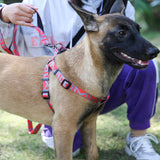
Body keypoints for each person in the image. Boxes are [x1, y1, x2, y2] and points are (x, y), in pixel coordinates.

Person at [0, 0, 159, 159]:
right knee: (68, 140)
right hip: (52, 97)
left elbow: (128, 48)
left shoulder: (120, 5)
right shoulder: (40, 3)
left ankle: (138, 137)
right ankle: (58, 130)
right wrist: (3, 13)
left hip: (101, 87)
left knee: (147, 68)